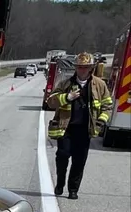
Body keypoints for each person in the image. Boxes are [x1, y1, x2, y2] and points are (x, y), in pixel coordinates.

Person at [46, 52, 113, 200]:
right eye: (80, 67)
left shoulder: (99, 85)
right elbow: (50, 101)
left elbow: (107, 105)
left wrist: (101, 120)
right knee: (62, 157)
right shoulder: (65, 83)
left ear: (91, 68)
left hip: (85, 130)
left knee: (79, 161)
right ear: (76, 68)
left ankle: (73, 190)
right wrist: (66, 97)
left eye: (85, 67)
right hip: (66, 128)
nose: (82, 70)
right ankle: (60, 183)